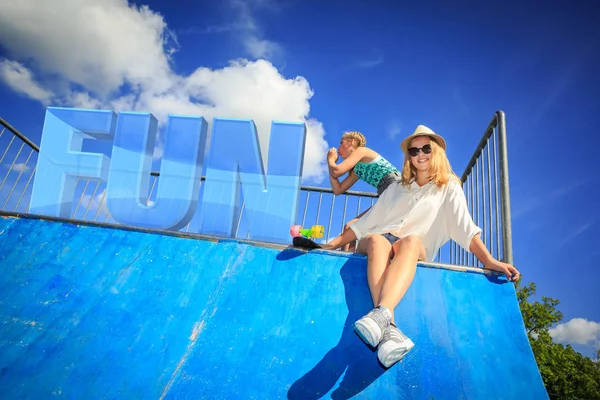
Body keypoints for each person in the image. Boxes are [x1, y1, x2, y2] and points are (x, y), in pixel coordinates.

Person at [322, 125, 520, 369]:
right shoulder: (397, 187)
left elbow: (464, 227)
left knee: (411, 240)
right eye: (414, 151)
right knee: (375, 239)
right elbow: (366, 223)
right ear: (409, 157)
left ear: (435, 151)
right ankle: (388, 325)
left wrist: (489, 261)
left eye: (426, 148)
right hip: (380, 241)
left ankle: (382, 319)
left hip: (413, 249)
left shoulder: (449, 186)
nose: (420, 154)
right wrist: (330, 244)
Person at [327, 131, 402, 251]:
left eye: (341, 143)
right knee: (350, 227)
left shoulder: (362, 151)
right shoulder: (357, 169)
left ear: (352, 142)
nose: (338, 148)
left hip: (396, 189)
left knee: (387, 231)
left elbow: (337, 171)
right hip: (386, 195)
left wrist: (331, 160)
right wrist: (330, 164)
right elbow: (338, 189)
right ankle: (345, 264)